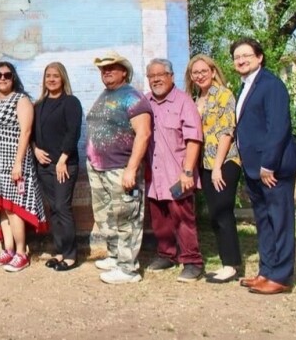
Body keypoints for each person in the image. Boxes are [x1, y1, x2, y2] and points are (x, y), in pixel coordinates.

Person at [230, 37, 296, 295]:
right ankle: (266, 271)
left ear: (259, 57)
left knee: (279, 221)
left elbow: (278, 128)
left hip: (273, 169)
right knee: (264, 221)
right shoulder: (246, 86)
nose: (241, 60)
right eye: (237, 56)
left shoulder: (271, 85)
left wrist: (268, 165)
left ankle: (280, 276)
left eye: (246, 55)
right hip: (253, 169)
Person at [87, 51, 152, 285]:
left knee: (127, 217)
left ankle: (128, 268)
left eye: (112, 67)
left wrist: (131, 169)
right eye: (103, 69)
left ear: (124, 71)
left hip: (120, 168)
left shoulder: (133, 98)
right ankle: (115, 256)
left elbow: (143, 134)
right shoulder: (105, 95)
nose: (106, 72)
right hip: (98, 168)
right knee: (106, 217)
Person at [0, 62, 45, 272]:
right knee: (0, 207)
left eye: (7, 75)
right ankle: (8, 249)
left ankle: (22, 252)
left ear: (13, 77)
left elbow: (26, 132)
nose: (3, 78)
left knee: (15, 207)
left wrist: (18, 163)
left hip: (12, 158)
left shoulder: (21, 100)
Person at [144, 59, 205, 283]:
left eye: (161, 74)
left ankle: (192, 262)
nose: (156, 79)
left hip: (177, 173)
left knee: (183, 219)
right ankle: (166, 254)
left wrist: (188, 171)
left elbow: (194, 138)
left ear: (171, 76)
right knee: (160, 219)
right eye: (152, 76)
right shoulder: (145, 102)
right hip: (154, 174)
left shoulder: (183, 102)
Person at [184, 54, 242, 284]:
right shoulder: (198, 97)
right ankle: (226, 261)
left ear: (213, 70)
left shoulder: (223, 94)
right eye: (194, 72)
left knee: (223, 212)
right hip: (205, 164)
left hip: (224, 162)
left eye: (203, 71)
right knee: (215, 214)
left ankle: (231, 265)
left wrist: (218, 167)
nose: (199, 75)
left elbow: (226, 132)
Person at [32, 62, 83, 271]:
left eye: (55, 76)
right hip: (43, 166)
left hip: (64, 165)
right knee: (53, 209)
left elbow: (73, 132)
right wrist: (35, 149)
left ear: (63, 78)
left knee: (62, 207)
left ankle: (71, 255)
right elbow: (32, 134)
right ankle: (60, 251)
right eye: (48, 76)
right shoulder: (39, 105)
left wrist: (63, 159)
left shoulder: (70, 102)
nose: (51, 79)